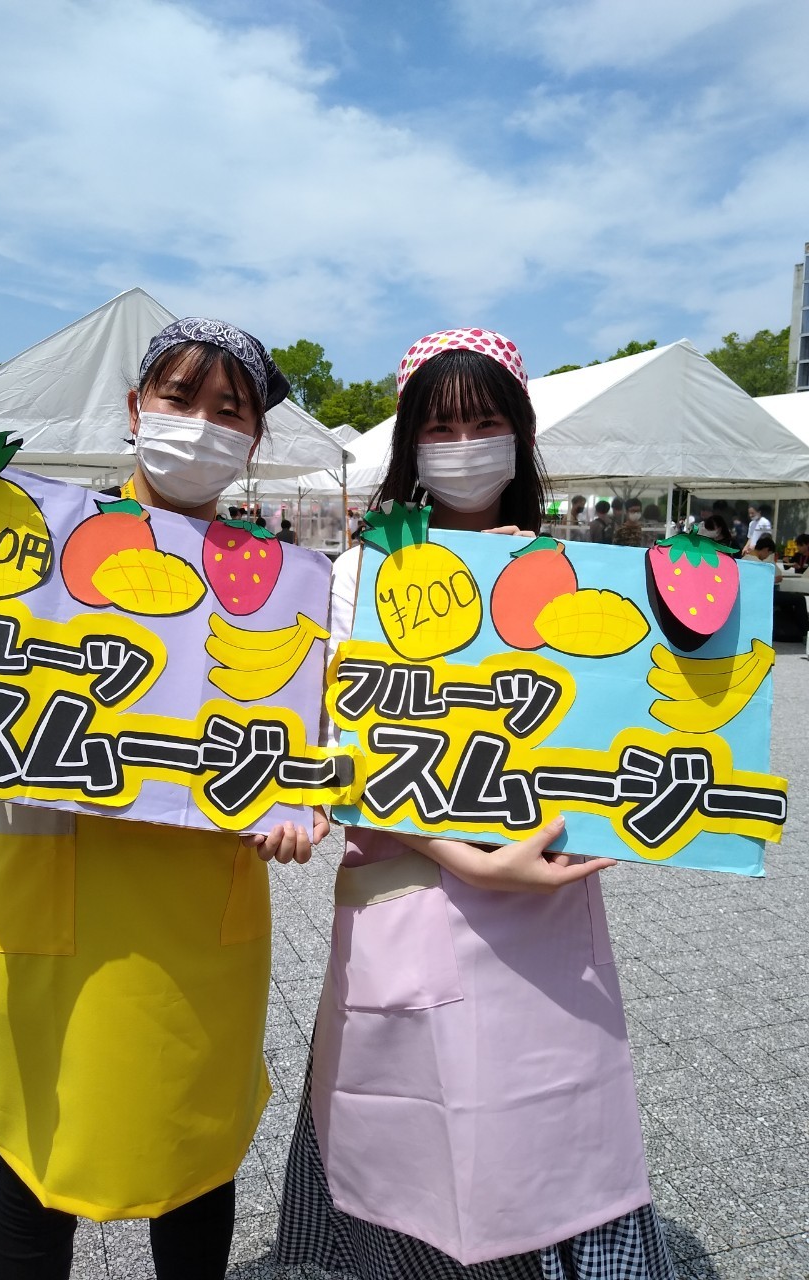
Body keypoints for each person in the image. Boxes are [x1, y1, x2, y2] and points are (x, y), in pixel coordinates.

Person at [0, 318, 321, 1280]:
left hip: (203, 925)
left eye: (229, 411)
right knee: (32, 1166)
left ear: (254, 443)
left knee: (196, 1167)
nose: (200, 425)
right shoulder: (36, 544)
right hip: (53, 904)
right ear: (136, 408)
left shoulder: (285, 591)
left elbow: (312, 753)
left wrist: (300, 801)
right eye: (180, 399)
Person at [274, 328, 675, 1279]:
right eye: (441, 426)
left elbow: (622, 729)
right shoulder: (360, 574)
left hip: (543, 905)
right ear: (411, 442)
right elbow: (335, 750)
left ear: (520, 436)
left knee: (549, 1130)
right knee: (409, 1138)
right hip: (407, 896)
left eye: (487, 422)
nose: (464, 444)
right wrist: (467, 855)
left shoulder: (575, 570)